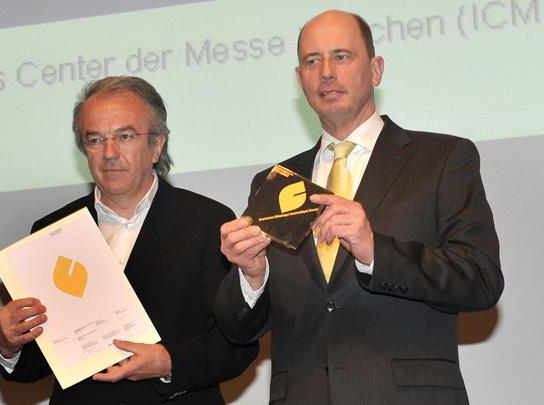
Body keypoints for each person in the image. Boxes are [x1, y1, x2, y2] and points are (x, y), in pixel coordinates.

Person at [215, 10, 503, 405]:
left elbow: (481, 281)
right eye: (312, 61)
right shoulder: (276, 183)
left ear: (376, 69)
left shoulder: (441, 159)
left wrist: (375, 251)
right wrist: (251, 277)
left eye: (342, 56)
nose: (326, 73)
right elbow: (238, 330)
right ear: (299, 79)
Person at [0, 76, 258, 404]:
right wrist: (9, 344)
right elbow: (38, 363)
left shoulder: (207, 222)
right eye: (95, 139)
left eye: (125, 136)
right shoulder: (52, 231)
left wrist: (169, 362)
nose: (109, 153)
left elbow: (236, 344)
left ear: (157, 145)